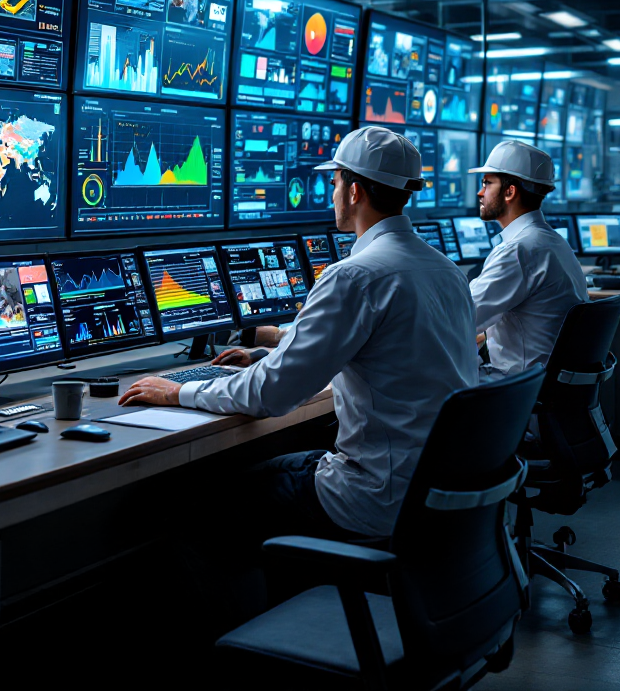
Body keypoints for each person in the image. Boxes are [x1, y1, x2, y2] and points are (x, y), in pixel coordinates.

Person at [119, 126, 477, 540]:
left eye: (335, 182)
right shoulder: (445, 270)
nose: (332, 194)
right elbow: (375, 347)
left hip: (376, 493)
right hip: (435, 482)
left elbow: (273, 394)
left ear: (355, 191)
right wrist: (264, 354)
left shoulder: (355, 276)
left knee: (197, 510)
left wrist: (175, 392)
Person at [467, 140, 588, 381]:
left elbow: (461, 317)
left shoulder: (519, 251)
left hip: (519, 386)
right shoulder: (552, 241)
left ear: (510, 192)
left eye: (487, 183)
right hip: (546, 383)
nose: (480, 192)